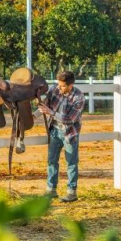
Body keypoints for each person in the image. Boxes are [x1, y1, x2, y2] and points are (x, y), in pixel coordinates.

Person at [37, 70, 85, 202]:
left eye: (62, 86)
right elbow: (44, 105)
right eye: (58, 84)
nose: (59, 87)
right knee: (52, 161)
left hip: (69, 133)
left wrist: (51, 112)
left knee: (71, 162)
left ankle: (71, 192)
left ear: (70, 85)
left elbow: (70, 119)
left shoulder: (78, 97)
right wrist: (33, 116)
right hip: (55, 131)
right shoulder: (55, 90)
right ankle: (51, 190)